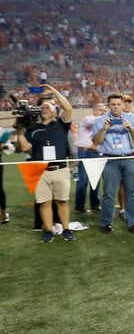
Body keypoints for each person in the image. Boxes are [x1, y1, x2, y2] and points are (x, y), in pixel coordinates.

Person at [14, 85, 76, 242]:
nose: (44, 108)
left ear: (55, 110)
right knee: (44, 203)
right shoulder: (33, 128)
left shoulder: (61, 125)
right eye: (42, 107)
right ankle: (48, 231)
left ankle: (66, 229)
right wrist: (20, 131)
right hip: (39, 170)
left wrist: (53, 91)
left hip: (60, 169)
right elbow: (25, 148)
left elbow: (68, 108)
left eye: (48, 106)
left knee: (62, 201)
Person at [92, 92, 134, 234]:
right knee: (109, 193)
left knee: (132, 193)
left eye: (118, 104)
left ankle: (132, 223)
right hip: (110, 159)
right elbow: (95, 142)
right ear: (108, 105)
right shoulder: (100, 121)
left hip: (130, 158)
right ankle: (106, 223)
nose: (116, 107)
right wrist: (104, 129)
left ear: (123, 105)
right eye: (113, 104)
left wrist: (130, 127)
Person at [74, 102, 105, 213]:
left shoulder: (102, 124)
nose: (103, 113)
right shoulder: (88, 118)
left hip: (95, 152)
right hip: (85, 151)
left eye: (104, 111)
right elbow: (91, 123)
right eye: (101, 110)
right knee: (83, 180)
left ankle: (95, 204)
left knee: (95, 179)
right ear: (95, 110)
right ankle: (79, 205)